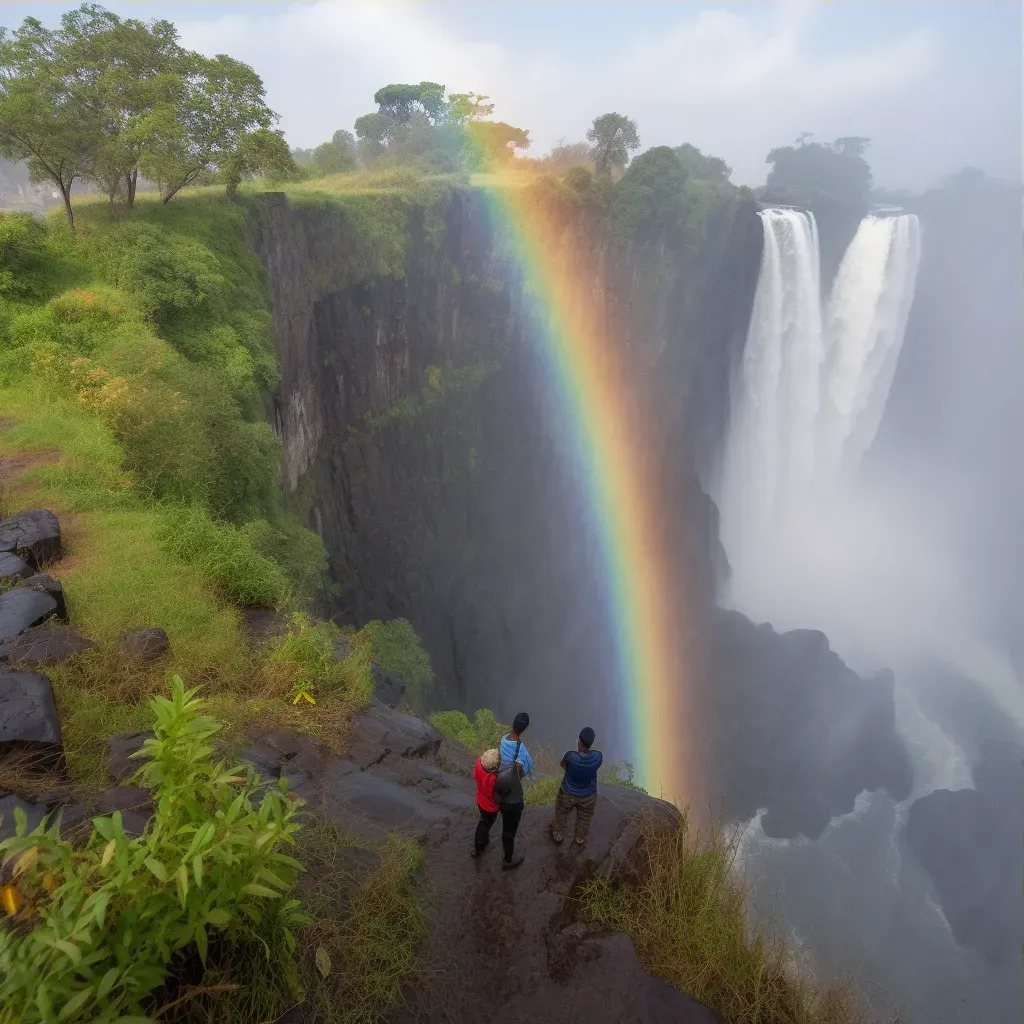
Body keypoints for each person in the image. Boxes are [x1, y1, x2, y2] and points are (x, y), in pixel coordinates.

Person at [551, 726, 603, 846]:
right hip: (588, 794)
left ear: (579, 741)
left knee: (561, 813)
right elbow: (596, 766)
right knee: (585, 817)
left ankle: (558, 835)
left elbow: (563, 765)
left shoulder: (571, 756)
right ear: (591, 743)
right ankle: (580, 838)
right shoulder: (598, 756)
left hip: (568, 792)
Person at [494, 711, 532, 870]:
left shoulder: (503, 740)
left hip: (500, 790)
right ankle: (508, 861)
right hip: (513, 797)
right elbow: (526, 767)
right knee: (509, 830)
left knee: (505, 819)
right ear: (524, 729)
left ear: (513, 724)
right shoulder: (521, 749)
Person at [471, 748, 500, 858]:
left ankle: (484, 841)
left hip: (480, 799)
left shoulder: (478, 764)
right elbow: (498, 797)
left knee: (484, 820)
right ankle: (479, 847)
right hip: (490, 807)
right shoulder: (494, 779)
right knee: (484, 825)